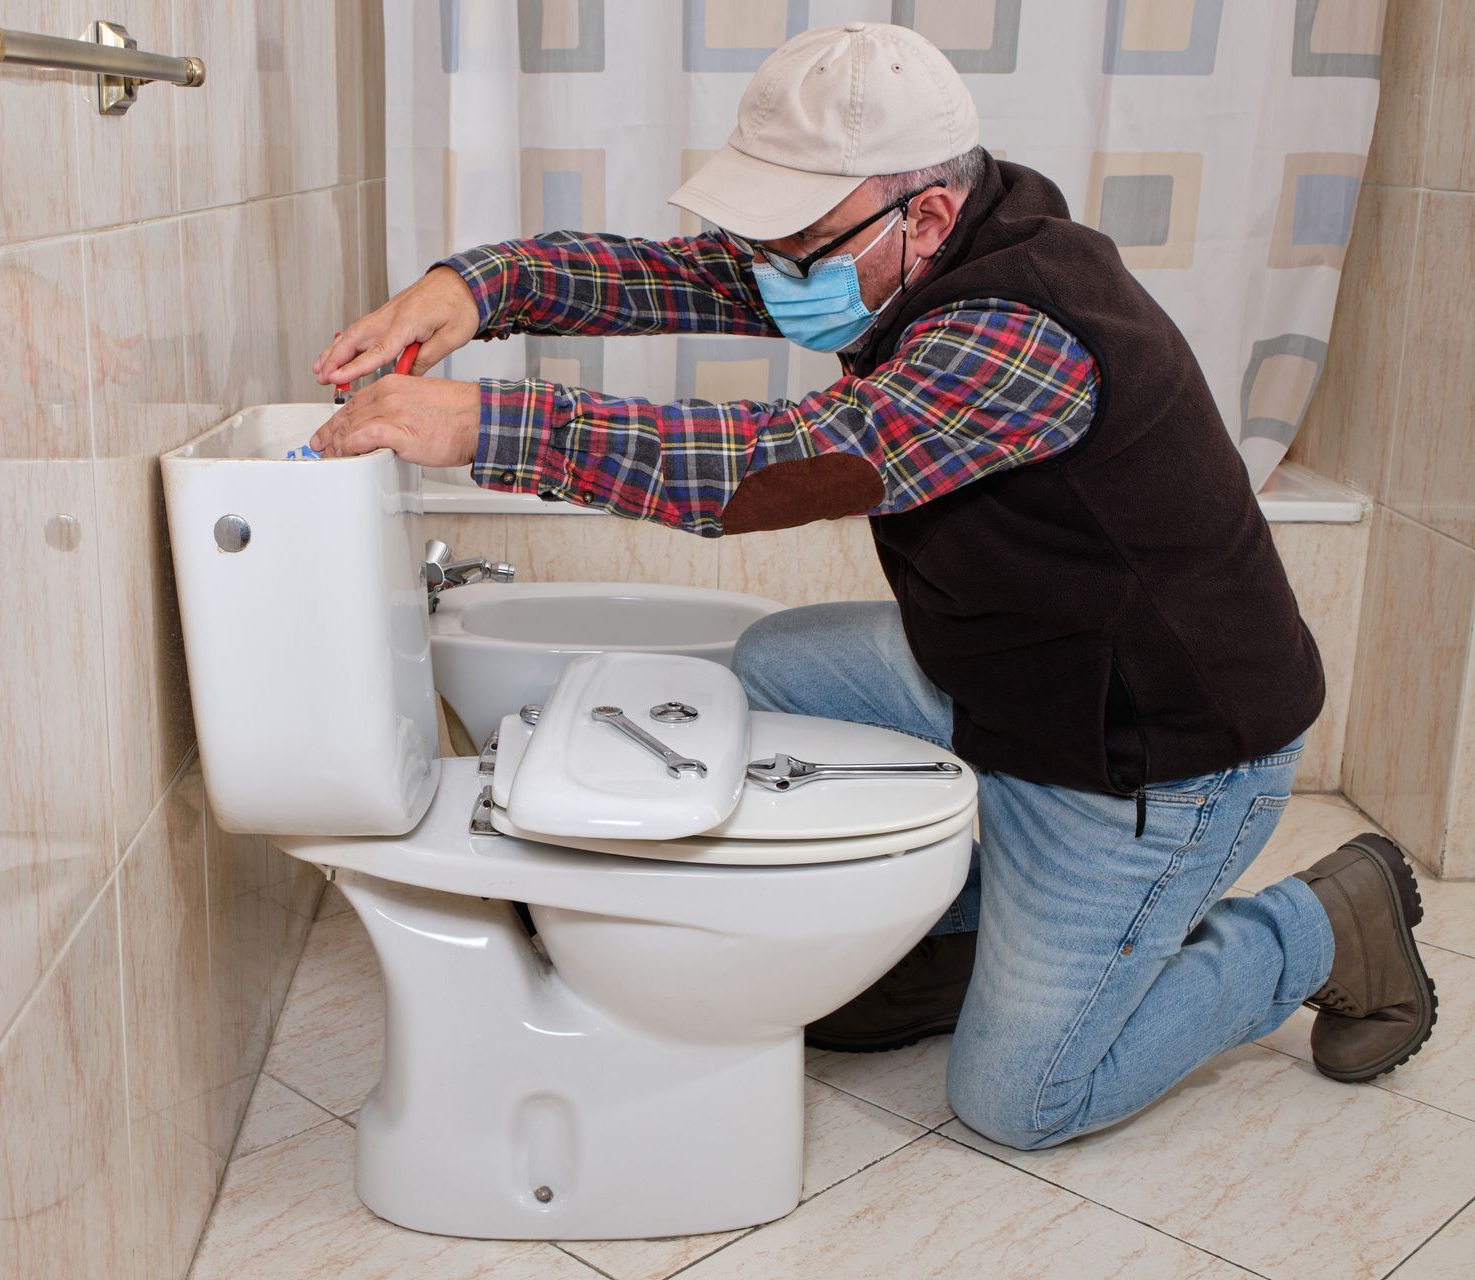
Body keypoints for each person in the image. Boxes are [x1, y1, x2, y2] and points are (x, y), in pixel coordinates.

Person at [308, 22, 1436, 1149]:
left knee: (1021, 1098)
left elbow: (781, 463)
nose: (764, 274)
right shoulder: (892, 247)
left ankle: (1324, 923)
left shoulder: (1024, 332)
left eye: (793, 248)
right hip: (1013, 678)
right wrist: (478, 286)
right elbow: (670, 274)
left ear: (928, 215)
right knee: (773, 666)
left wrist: (493, 423)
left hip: (1155, 760)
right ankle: (961, 931)